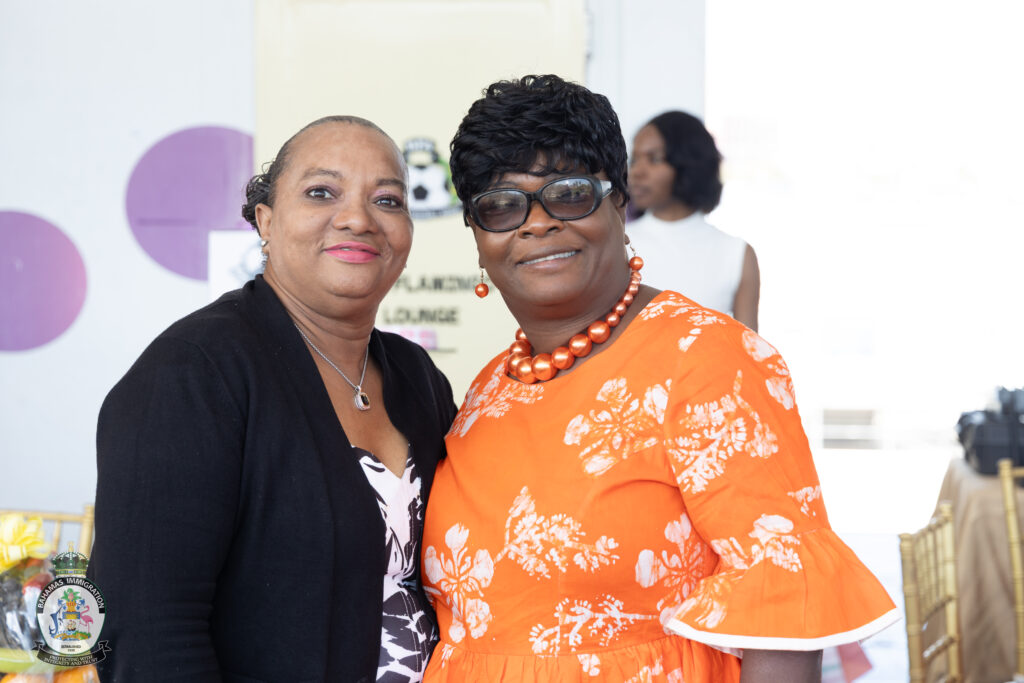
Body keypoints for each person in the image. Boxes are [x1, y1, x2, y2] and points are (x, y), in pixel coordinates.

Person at [421, 76, 897, 682]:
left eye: (569, 194)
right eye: (501, 205)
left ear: (620, 206)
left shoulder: (708, 359)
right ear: (478, 237)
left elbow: (780, 603)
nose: (536, 224)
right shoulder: (490, 389)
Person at [88, 116, 456, 682]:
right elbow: (145, 627)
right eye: (321, 192)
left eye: (387, 200)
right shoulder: (193, 371)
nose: (358, 219)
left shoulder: (417, 376)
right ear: (265, 219)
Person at [628, 110, 760, 331]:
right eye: (634, 159)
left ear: (688, 163)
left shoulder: (736, 253)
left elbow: (748, 347)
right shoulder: (619, 244)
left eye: (654, 159)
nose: (636, 172)